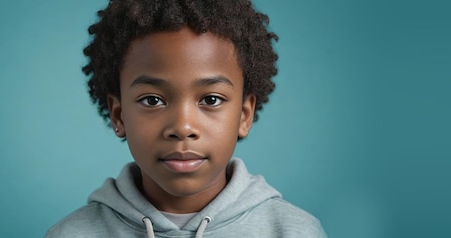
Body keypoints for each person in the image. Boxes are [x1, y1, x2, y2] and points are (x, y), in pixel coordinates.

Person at [45, 0, 326, 237]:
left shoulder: (292, 231)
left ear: (244, 115)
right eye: (153, 100)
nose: (182, 127)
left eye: (211, 100)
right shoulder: (71, 234)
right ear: (119, 115)